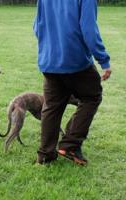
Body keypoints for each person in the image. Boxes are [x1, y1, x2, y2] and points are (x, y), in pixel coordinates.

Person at [34, 0, 111, 166]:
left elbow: (37, 27)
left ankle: (45, 155)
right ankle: (69, 145)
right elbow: (89, 29)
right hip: (75, 61)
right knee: (92, 97)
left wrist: (49, 50)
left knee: (52, 107)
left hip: (49, 61)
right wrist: (103, 60)